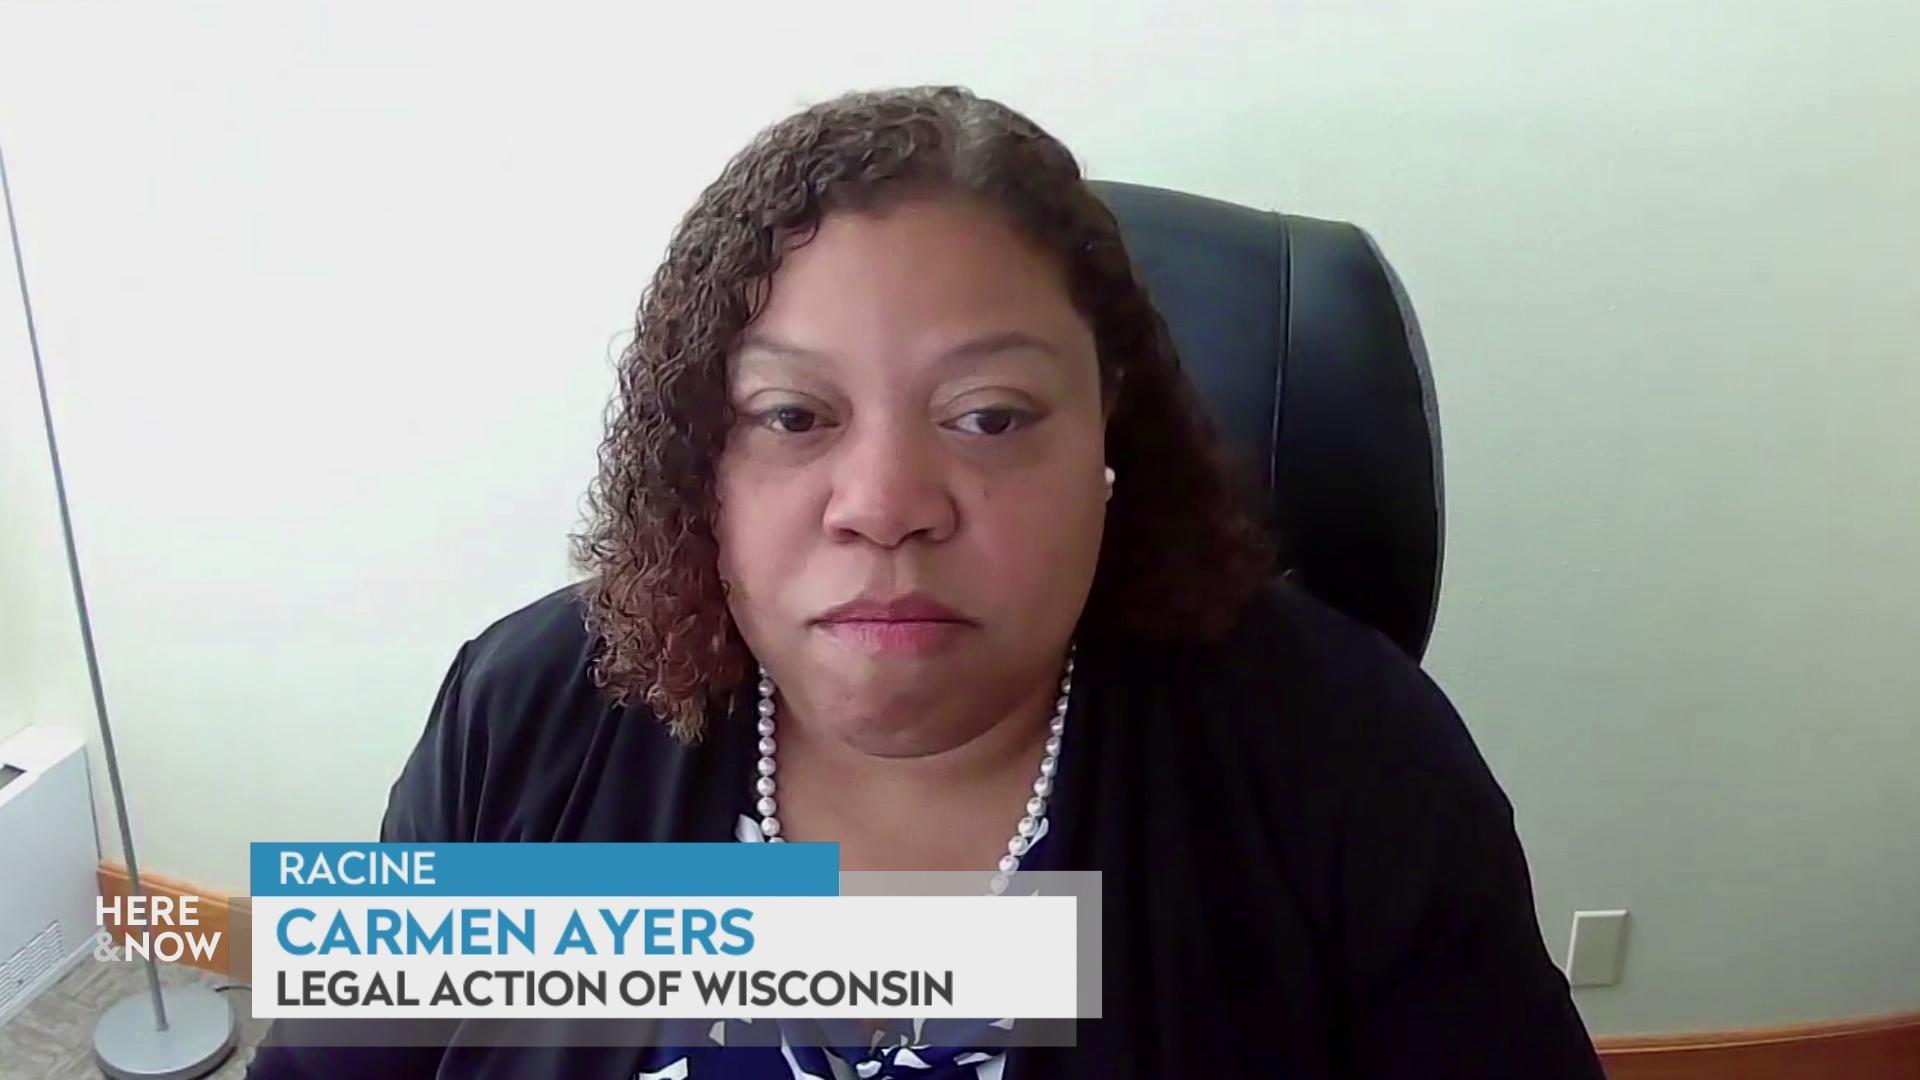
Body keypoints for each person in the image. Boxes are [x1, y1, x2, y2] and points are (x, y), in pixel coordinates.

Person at [249, 85, 1603, 1078]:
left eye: (992, 417)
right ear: (701, 461)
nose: (886, 505)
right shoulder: (529, 704)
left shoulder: (1349, 762)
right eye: (792, 417)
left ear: (1108, 441)